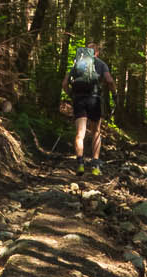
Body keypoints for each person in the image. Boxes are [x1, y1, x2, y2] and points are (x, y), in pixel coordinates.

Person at [61, 40, 114, 178]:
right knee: (96, 131)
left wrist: (72, 95)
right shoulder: (101, 64)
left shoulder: (78, 64)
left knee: (80, 133)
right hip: (94, 99)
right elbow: (109, 80)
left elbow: (65, 83)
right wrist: (114, 94)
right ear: (97, 52)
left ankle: (80, 163)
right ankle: (95, 165)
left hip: (79, 100)